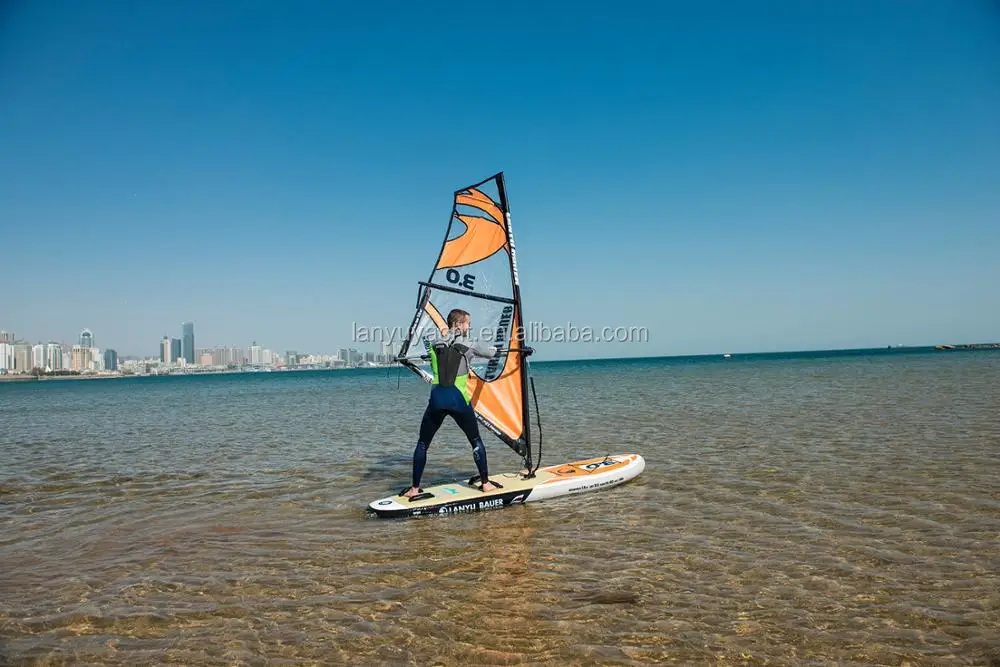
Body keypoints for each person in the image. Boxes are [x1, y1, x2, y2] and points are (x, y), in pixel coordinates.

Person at [401, 308, 502, 498]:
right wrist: (509, 351)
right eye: (467, 323)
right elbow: (492, 354)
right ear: (458, 324)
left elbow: (432, 349)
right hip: (458, 400)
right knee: (475, 440)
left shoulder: (432, 342)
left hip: (437, 399)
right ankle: (486, 484)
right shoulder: (470, 344)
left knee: (423, 443)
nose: (469, 327)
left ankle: (414, 489)